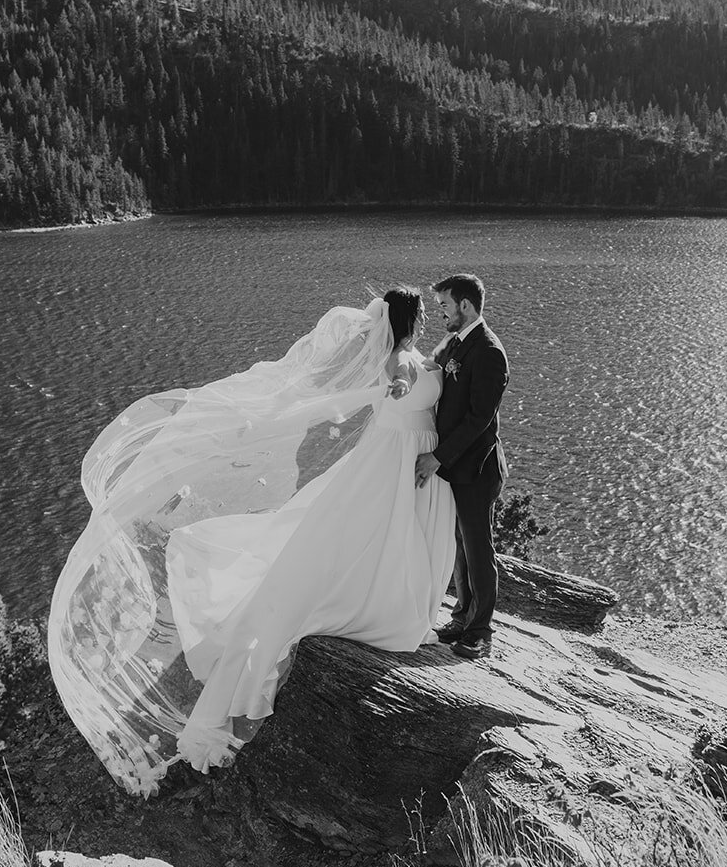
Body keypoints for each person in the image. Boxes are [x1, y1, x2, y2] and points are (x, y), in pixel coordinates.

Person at [48, 287, 454, 788]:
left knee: (378, 531)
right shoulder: (400, 362)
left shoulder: (415, 355)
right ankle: (373, 602)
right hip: (393, 458)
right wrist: (400, 387)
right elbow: (399, 382)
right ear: (411, 320)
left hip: (404, 456)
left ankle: (385, 593)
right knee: (368, 532)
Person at [415, 272, 509, 661]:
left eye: (445, 307)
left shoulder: (488, 351)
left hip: (478, 469)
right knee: (459, 547)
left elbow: (479, 418)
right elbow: (429, 365)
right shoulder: (458, 342)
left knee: (478, 547)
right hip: (458, 467)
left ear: (465, 306)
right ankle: (462, 615)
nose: (441, 314)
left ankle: (481, 631)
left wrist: (437, 457)